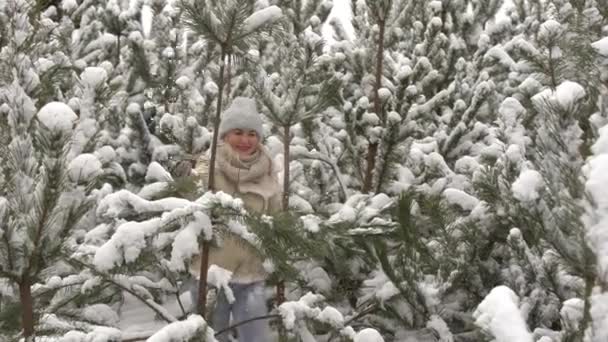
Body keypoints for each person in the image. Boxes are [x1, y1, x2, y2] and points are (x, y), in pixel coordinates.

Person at [190, 97, 282, 342]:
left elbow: (277, 220)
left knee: (256, 338)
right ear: (224, 135)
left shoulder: (267, 169)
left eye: (252, 133)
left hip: (251, 275)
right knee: (210, 336)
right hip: (210, 275)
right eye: (238, 132)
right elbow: (189, 212)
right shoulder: (207, 168)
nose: (245, 140)